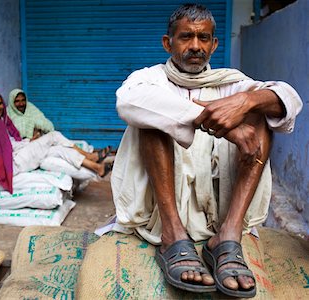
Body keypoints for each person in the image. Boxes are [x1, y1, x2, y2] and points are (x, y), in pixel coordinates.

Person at [111, 3, 302, 298]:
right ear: (168, 43)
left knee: (261, 111)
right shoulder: (150, 79)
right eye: (186, 37)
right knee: (152, 113)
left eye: (203, 39)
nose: (195, 46)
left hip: (218, 208)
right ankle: (173, 234)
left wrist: (246, 103)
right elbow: (128, 102)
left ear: (214, 45)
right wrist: (221, 124)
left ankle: (228, 236)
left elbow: (288, 99)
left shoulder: (229, 82)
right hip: (161, 212)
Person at [0, 90, 112, 193]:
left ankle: (96, 167)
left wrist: (29, 141)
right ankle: (89, 156)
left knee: (58, 150)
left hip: (17, 156)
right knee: (53, 136)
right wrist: (29, 142)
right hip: (12, 164)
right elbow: (4, 148)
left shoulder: (0, 121)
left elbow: (11, 142)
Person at [7, 88, 112, 161]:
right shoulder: (8, 115)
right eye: (17, 101)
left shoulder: (30, 108)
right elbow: (12, 140)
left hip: (39, 141)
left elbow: (49, 126)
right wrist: (29, 139)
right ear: (12, 102)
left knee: (62, 148)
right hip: (24, 147)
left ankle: (90, 159)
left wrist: (35, 125)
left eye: (23, 100)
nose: (21, 104)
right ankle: (89, 156)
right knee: (57, 140)